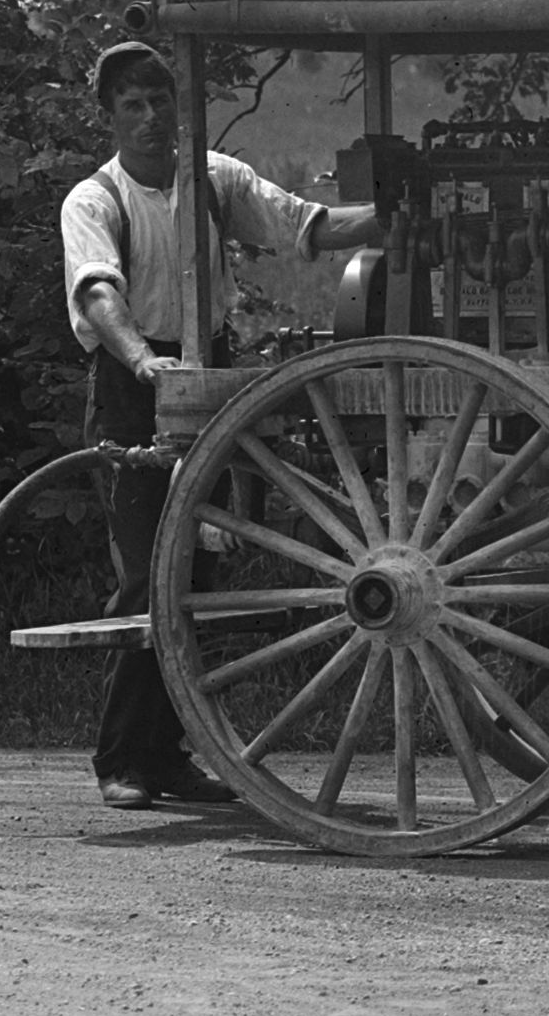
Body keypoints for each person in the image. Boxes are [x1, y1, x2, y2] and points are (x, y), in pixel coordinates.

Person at [63, 42, 383, 809]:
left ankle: (168, 756)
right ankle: (120, 758)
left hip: (210, 377)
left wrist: (399, 215)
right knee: (148, 572)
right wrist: (144, 361)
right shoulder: (94, 200)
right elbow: (98, 294)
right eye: (131, 107)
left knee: (200, 576)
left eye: (159, 102)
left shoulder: (212, 178)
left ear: (179, 106)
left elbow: (304, 225)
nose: (149, 119)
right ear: (108, 118)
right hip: (135, 386)